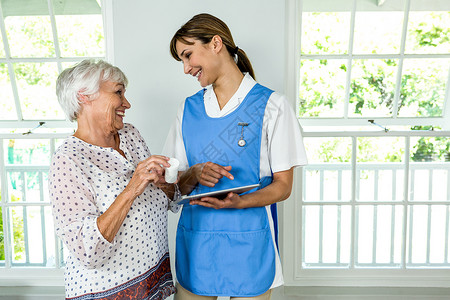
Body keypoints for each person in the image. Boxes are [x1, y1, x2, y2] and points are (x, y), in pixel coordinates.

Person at [164, 13, 308, 300]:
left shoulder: (273, 106)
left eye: (188, 55)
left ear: (216, 43)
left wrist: (240, 202)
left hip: (250, 243)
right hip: (198, 244)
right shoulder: (187, 110)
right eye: (182, 59)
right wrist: (193, 173)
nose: (186, 68)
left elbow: (283, 185)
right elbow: (173, 186)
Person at [49, 59, 177, 300]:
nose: (127, 103)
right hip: (107, 292)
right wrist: (131, 189)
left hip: (152, 282)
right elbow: (88, 251)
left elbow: (164, 199)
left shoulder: (130, 134)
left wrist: (168, 180)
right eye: (118, 92)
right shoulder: (67, 160)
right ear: (84, 96)